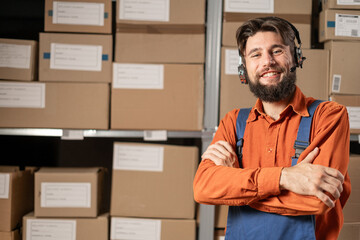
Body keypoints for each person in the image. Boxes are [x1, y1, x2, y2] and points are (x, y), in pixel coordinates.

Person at [193, 17, 351, 240]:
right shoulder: (234, 122)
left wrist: (235, 184)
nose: (267, 62)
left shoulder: (329, 116)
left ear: (295, 57)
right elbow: (203, 188)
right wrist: (285, 178)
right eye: (255, 55)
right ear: (244, 68)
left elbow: (319, 198)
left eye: (276, 51)